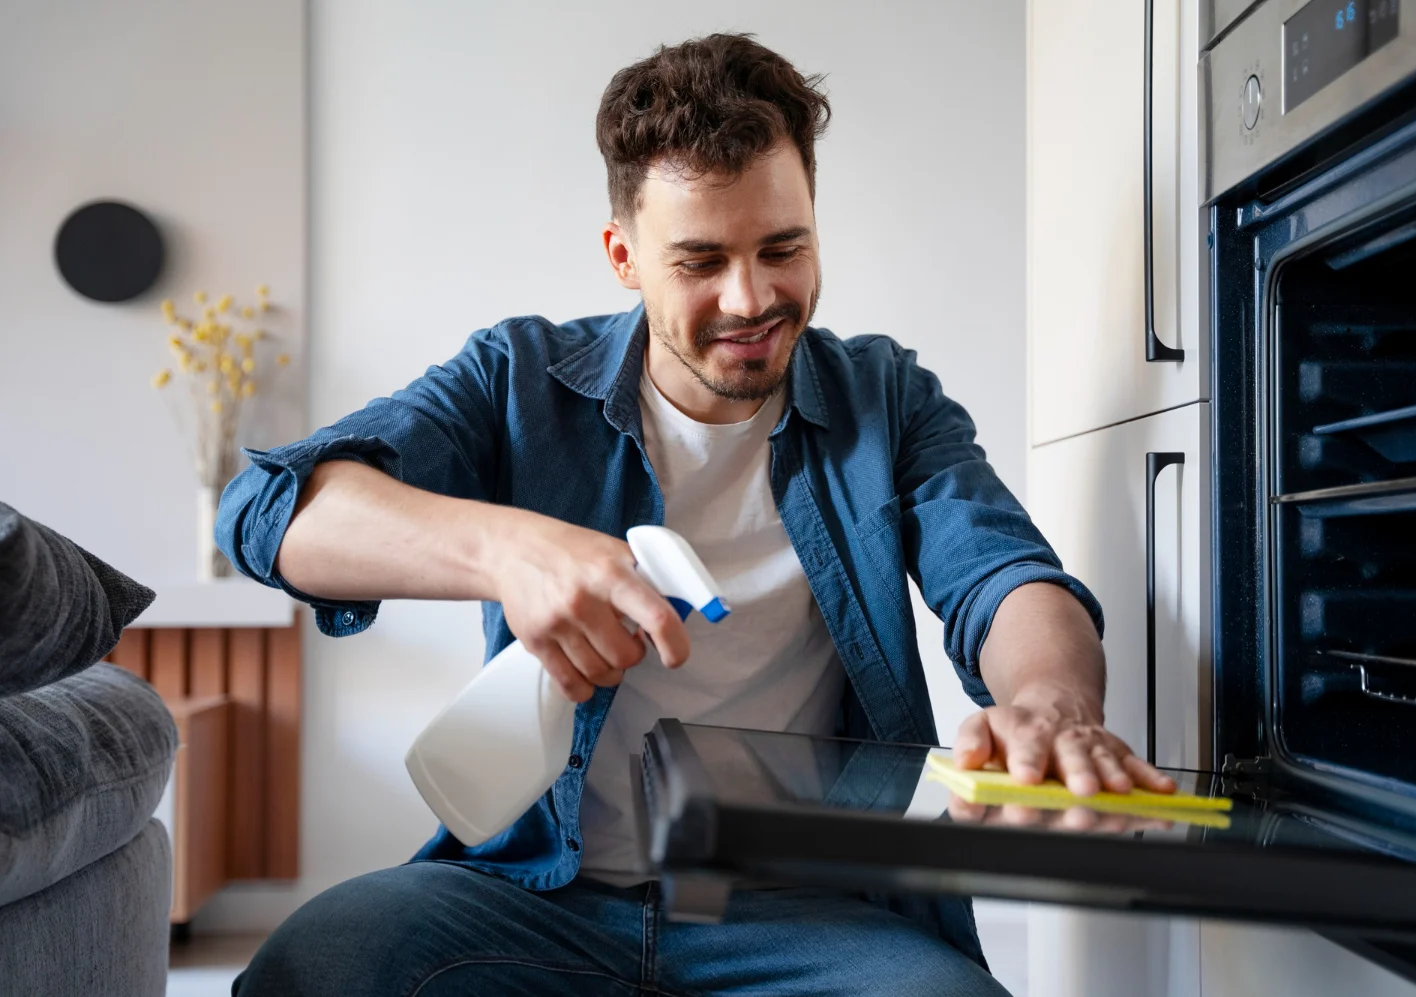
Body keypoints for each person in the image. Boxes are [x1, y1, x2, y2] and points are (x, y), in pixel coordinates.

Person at [220, 32, 1174, 997]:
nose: (751, 298)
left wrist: (1052, 704)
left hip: (802, 907)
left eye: (782, 248)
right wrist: (506, 550)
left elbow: (1003, 575)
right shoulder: (516, 379)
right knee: (318, 966)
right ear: (623, 256)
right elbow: (268, 511)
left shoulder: (886, 398)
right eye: (701, 259)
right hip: (538, 899)